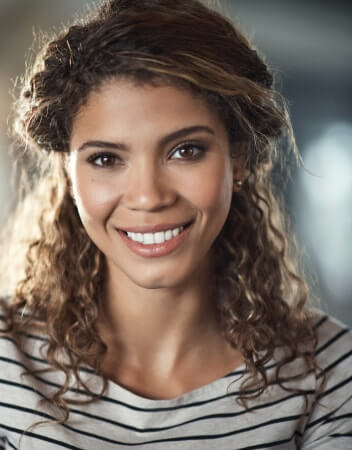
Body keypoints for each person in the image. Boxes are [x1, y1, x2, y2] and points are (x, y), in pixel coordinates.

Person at [0, 0, 351, 448]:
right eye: (106, 159)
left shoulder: (331, 375)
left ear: (238, 158)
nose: (148, 196)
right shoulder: (6, 360)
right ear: (69, 174)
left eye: (185, 151)